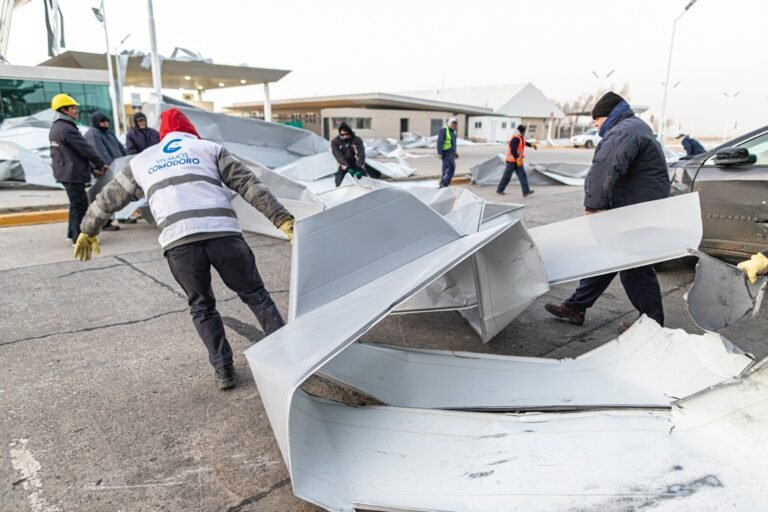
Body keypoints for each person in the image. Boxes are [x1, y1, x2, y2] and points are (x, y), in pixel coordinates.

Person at [73, 108, 296, 390]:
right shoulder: (208, 148)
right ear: (190, 130)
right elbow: (249, 184)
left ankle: (224, 369)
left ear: (162, 134)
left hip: (180, 244)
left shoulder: (143, 160)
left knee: (202, 306)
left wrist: (87, 229)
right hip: (224, 236)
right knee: (255, 295)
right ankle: (289, 359)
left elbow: (108, 199)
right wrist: (281, 218)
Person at [544, 91, 671, 333]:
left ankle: (652, 325)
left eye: (596, 121)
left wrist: (593, 206)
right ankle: (576, 306)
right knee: (604, 257)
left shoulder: (623, 131)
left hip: (636, 212)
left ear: (608, 116)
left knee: (635, 269)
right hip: (635, 208)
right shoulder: (634, 127)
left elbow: (604, 169)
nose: (596, 126)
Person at [48, 93, 108, 244]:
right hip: (71, 174)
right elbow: (84, 149)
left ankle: (71, 234)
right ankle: (79, 238)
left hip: (66, 172)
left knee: (75, 205)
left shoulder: (57, 127)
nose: (77, 111)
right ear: (64, 110)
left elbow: (72, 155)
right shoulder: (67, 129)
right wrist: (100, 164)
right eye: (73, 108)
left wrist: (91, 169)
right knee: (80, 206)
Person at [85, 111, 127, 231]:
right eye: (102, 122)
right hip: (104, 171)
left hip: (115, 169)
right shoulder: (93, 134)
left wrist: (126, 161)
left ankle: (119, 217)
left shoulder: (108, 133)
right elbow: (99, 152)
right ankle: (105, 222)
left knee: (116, 196)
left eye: (107, 121)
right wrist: (108, 167)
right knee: (105, 197)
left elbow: (121, 148)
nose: (105, 123)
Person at [496, 124, 537, 197]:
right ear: (522, 131)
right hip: (512, 161)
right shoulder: (516, 138)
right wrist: (517, 157)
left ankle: (526, 191)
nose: (525, 133)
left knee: (522, 175)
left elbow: (524, 143)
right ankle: (500, 189)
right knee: (507, 176)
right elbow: (513, 150)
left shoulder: (520, 138)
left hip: (518, 161)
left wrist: (531, 145)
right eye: (525, 131)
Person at [331, 122, 368, 187]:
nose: (345, 136)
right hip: (345, 166)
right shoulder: (336, 142)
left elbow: (361, 153)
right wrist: (346, 166)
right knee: (339, 181)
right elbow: (338, 155)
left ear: (350, 132)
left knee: (365, 181)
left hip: (357, 165)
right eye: (342, 135)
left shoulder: (357, 140)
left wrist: (359, 167)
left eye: (346, 134)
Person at [437, 117, 459, 188]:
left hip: (451, 153)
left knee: (446, 168)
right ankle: (444, 182)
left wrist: (455, 152)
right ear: (449, 123)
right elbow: (440, 141)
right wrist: (439, 153)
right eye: (453, 123)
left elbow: (453, 143)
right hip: (446, 152)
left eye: (455, 124)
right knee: (451, 167)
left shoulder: (453, 132)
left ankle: (443, 183)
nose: (454, 125)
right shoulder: (444, 130)